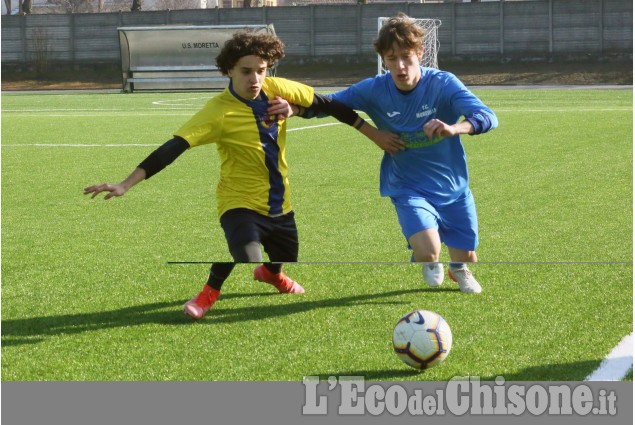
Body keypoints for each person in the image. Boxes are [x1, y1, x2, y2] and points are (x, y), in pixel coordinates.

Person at [84, 30, 401, 320]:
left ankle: (272, 275)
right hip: (238, 201)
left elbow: (330, 105)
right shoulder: (218, 112)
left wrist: (369, 133)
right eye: (246, 71)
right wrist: (126, 183)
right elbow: (172, 148)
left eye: (261, 70)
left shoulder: (277, 90)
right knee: (244, 252)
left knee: (285, 256)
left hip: (280, 200)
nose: (255, 78)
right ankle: (209, 293)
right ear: (229, 71)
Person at [300, 13, 498, 293]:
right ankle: (427, 257)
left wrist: (456, 128)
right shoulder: (375, 89)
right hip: (408, 186)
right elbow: (329, 104)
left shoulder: (443, 83)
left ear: (420, 53)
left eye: (406, 56)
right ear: (383, 59)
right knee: (429, 252)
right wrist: (295, 108)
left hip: (453, 186)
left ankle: (459, 269)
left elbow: (488, 117)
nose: (400, 66)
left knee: (467, 258)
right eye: (391, 59)